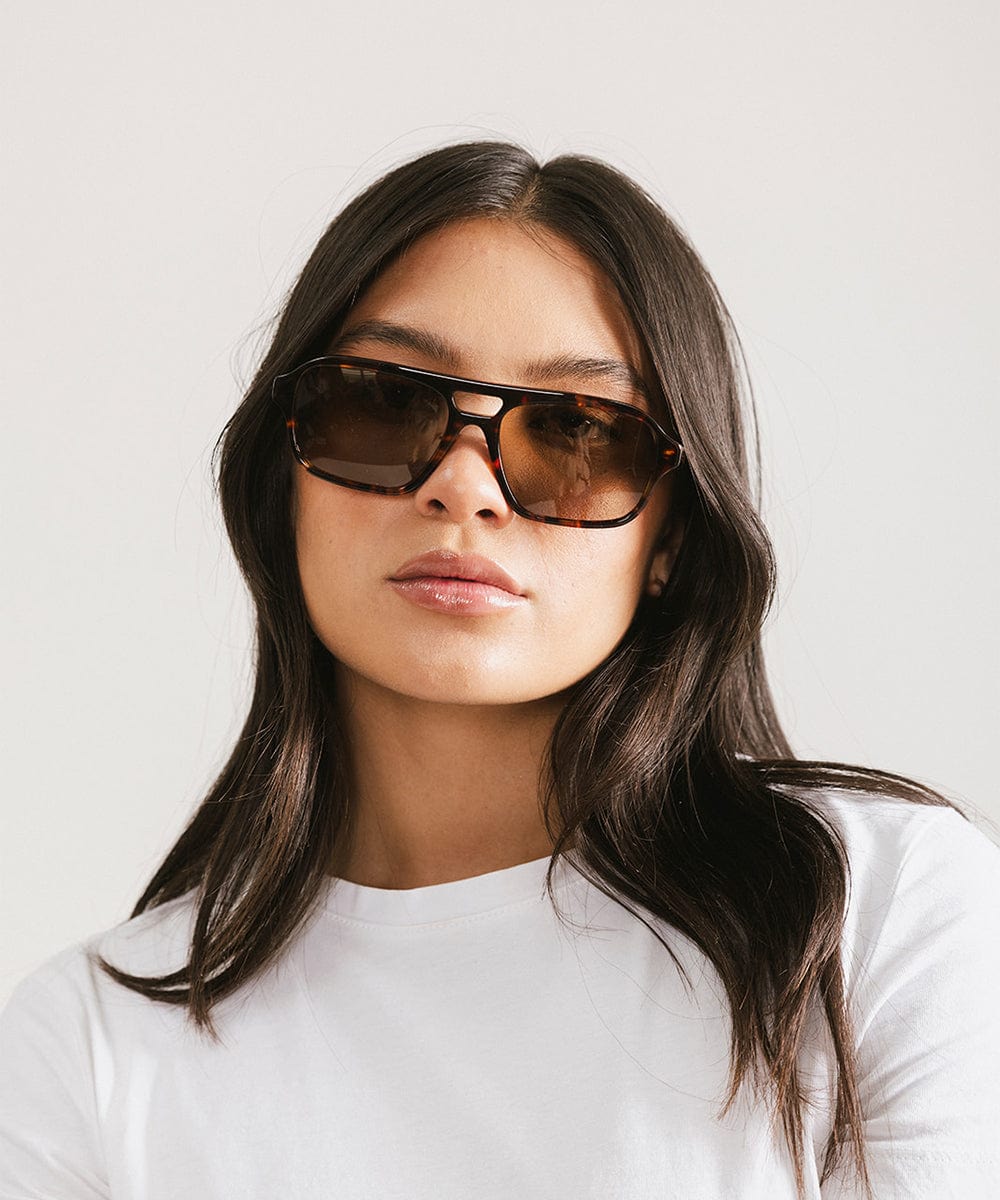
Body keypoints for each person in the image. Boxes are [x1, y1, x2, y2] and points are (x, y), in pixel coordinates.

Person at [0, 141, 997, 1200]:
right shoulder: (91, 1047)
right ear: (279, 475)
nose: (464, 487)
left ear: (669, 540)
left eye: (575, 430)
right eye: (384, 403)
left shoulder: (869, 911)